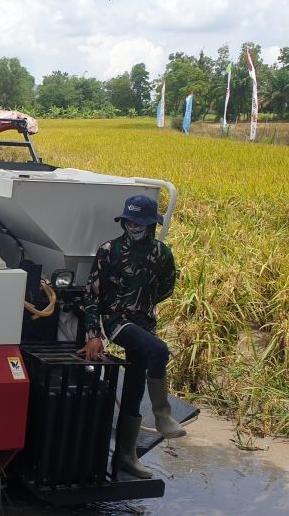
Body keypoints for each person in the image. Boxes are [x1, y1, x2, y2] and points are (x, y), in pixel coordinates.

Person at [80, 194, 186, 479]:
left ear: (151, 223)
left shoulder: (162, 254)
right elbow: (91, 296)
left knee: (135, 386)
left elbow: (166, 289)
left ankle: (127, 455)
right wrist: (94, 334)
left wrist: (144, 305)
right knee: (159, 351)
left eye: (139, 221)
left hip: (143, 324)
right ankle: (163, 415)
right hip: (117, 321)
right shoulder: (109, 250)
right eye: (128, 220)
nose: (133, 225)